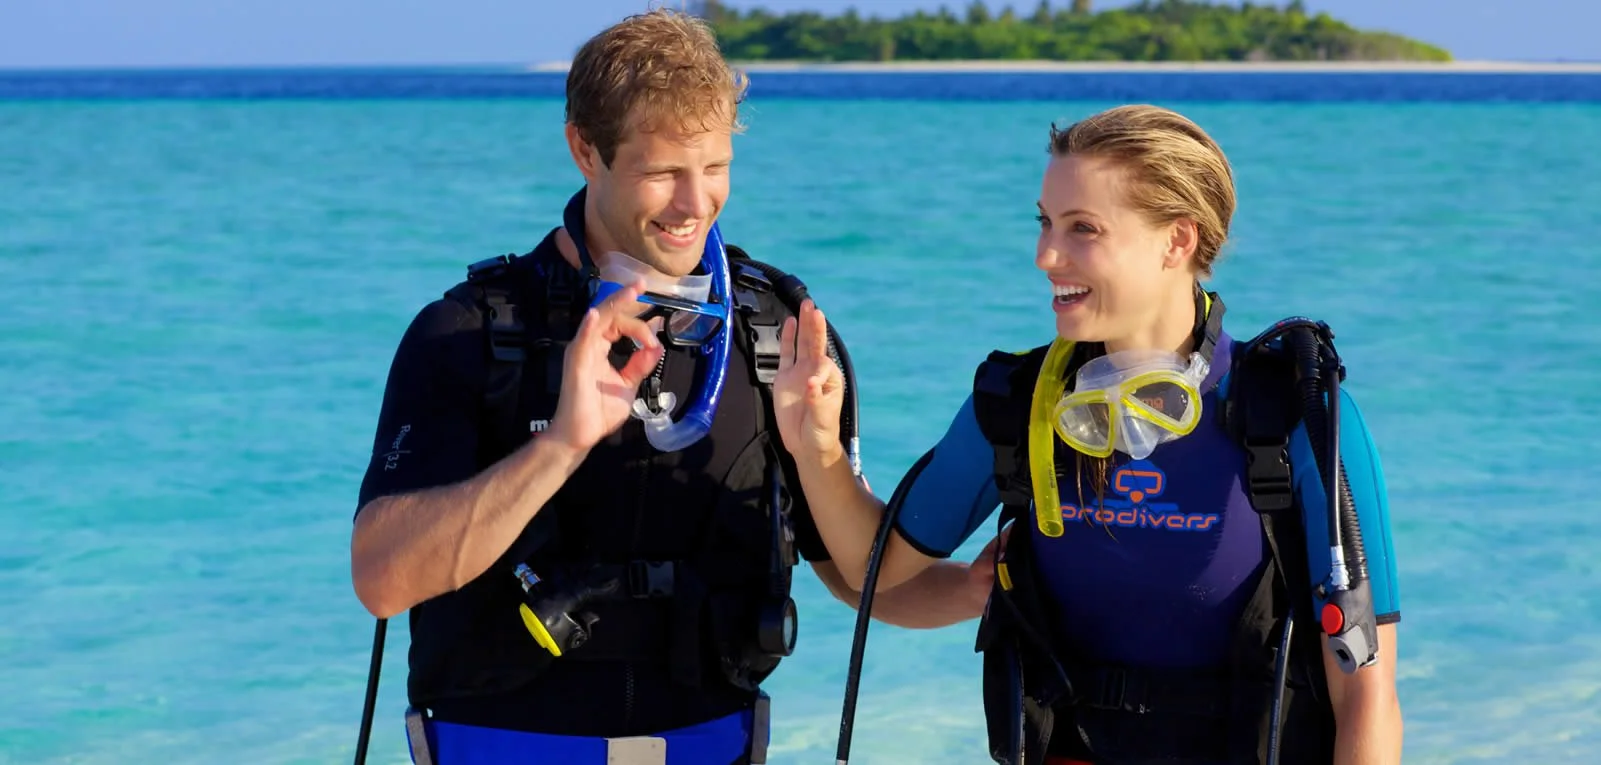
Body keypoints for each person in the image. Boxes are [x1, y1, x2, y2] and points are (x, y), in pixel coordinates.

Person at [345, 10, 967, 764]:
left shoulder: (774, 330)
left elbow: (860, 579)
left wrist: (987, 587)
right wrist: (560, 447)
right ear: (585, 150)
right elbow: (382, 579)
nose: (694, 203)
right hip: (503, 743)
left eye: (714, 168)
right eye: (662, 172)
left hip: (713, 742)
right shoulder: (472, 334)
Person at [771, 104, 1404, 765]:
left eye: (1082, 229)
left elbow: (1366, 697)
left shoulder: (1293, 415)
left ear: (1176, 241)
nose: (1045, 254)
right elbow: (873, 568)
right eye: (1044, 223)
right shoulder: (1015, 404)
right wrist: (814, 443)